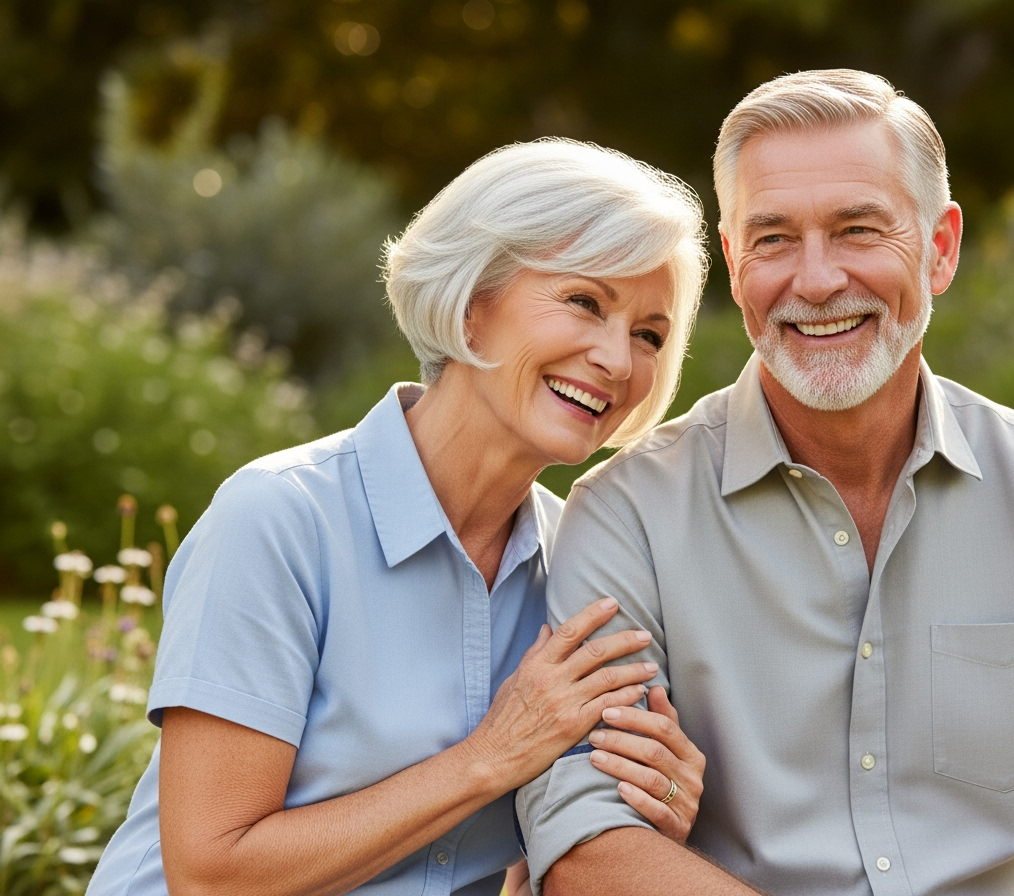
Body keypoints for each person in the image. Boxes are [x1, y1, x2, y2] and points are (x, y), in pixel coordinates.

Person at [516, 70, 1014, 896]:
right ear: (735, 262)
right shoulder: (628, 514)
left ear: (941, 248)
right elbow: (586, 836)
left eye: (857, 229)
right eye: (774, 239)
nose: (815, 281)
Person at [87, 137, 712, 896]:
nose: (619, 360)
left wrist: (645, 819)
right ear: (471, 305)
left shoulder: (580, 566)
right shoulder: (279, 519)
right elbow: (212, 875)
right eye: (585, 302)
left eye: (649, 333)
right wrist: (491, 757)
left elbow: (514, 876)